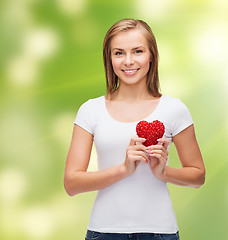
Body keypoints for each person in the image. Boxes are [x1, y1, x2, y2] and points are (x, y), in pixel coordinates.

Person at [64, 18, 205, 240]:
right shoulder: (90, 110)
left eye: (137, 51)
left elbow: (198, 176)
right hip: (105, 233)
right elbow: (72, 184)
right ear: (109, 59)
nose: (128, 61)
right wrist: (123, 169)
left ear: (152, 56)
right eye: (119, 53)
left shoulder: (174, 109)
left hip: (160, 232)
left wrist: (163, 172)